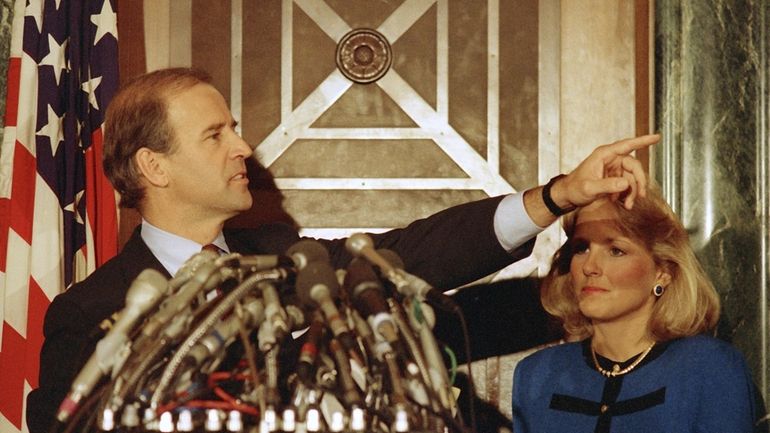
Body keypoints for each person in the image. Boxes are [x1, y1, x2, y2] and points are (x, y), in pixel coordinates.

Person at [25, 67, 658, 433]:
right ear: (153, 166)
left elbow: (416, 254)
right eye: (215, 135)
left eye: (235, 129)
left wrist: (557, 196)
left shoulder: (285, 260)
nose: (242, 148)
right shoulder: (92, 313)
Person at [511, 185, 765, 432]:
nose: (590, 266)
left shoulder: (708, 367)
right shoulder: (537, 374)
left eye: (616, 250)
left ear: (662, 273)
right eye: (582, 248)